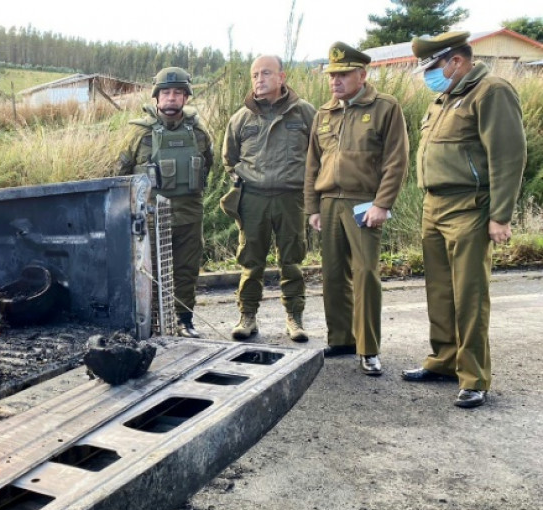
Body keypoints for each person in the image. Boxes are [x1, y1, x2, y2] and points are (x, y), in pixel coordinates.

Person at [401, 31, 527, 408]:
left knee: (470, 296)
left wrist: (500, 216)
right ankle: (443, 361)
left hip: (470, 207)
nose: (428, 75)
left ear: (456, 61)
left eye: (432, 66)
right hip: (434, 206)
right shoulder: (445, 98)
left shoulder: (490, 92)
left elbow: (509, 156)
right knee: (439, 291)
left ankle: (474, 377)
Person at [304, 42, 409, 376]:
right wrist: (313, 208)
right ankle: (341, 339)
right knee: (333, 275)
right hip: (329, 202)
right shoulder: (324, 113)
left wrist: (383, 204)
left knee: (365, 274)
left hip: (364, 204)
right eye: (332, 75)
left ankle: (368, 348)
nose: (335, 81)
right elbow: (312, 164)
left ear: (362, 75)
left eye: (344, 74)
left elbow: (396, 160)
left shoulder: (384, 107)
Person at [222, 55, 316, 342]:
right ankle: (247, 316)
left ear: (282, 77)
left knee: (292, 261)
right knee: (251, 262)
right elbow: (230, 159)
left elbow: (319, 154)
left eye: (265, 73)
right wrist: (244, 181)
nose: (259, 80)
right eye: (254, 75)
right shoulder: (241, 118)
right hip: (254, 200)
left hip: (291, 199)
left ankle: (294, 318)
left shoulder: (304, 114)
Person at [117, 67, 214, 338]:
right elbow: (120, 176)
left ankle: (185, 321)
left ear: (186, 97)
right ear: (156, 97)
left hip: (189, 216)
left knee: (186, 271)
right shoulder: (138, 135)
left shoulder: (199, 134)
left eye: (178, 93)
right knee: (151, 272)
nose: (171, 98)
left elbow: (208, 166)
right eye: (166, 92)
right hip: (151, 217)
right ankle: (155, 324)